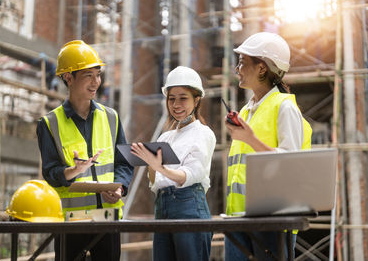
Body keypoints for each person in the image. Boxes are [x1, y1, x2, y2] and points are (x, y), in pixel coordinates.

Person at [36, 40, 134, 261]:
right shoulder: (49, 123)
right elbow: (51, 173)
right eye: (88, 75)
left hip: (109, 220)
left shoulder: (112, 117)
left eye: (98, 75)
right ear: (68, 77)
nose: (96, 82)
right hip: (71, 222)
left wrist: (120, 189)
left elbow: (124, 163)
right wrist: (70, 172)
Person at [224, 32, 312, 260]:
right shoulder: (246, 111)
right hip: (238, 218)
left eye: (243, 63)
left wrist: (250, 139)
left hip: (272, 219)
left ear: (262, 68)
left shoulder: (285, 108)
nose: (237, 69)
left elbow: (291, 164)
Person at [131, 66, 216, 261]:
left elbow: (190, 175)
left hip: (190, 206)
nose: (176, 104)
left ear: (196, 100)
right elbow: (154, 183)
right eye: (171, 99)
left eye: (183, 98)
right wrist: (151, 165)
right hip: (162, 207)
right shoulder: (166, 136)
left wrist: (159, 166)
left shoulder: (203, 133)